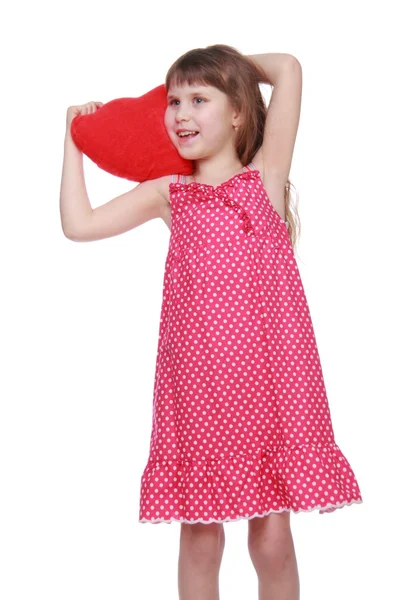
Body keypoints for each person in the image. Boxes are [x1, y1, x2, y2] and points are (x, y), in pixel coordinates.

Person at [60, 44, 363, 600]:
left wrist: (217, 62)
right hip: (200, 392)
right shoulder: (169, 196)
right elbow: (78, 225)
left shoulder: (266, 179)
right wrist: (72, 138)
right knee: (200, 540)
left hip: (273, 387)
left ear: (238, 112)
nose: (179, 114)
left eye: (199, 100)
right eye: (172, 101)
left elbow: (288, 68)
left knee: (272, 540)